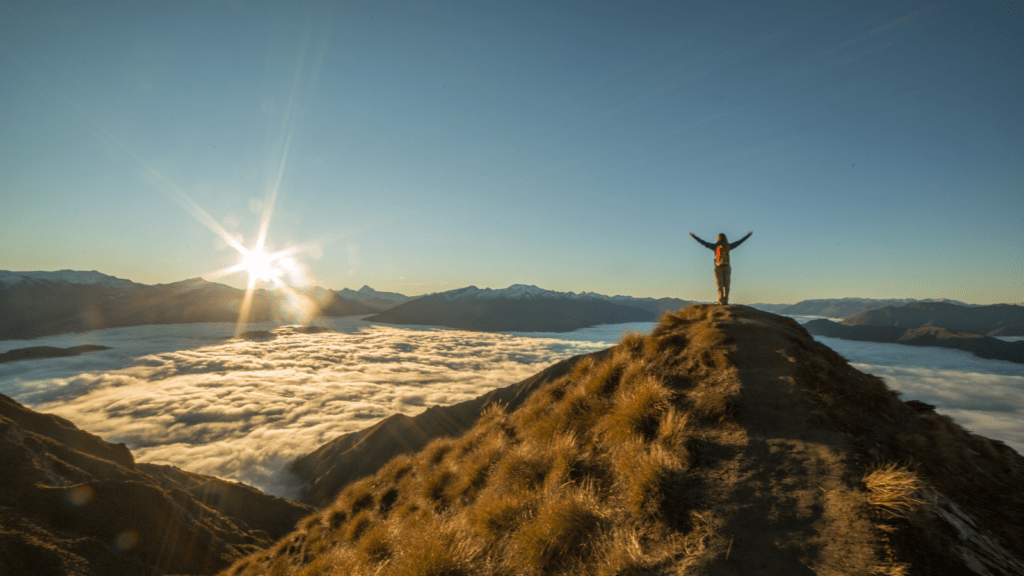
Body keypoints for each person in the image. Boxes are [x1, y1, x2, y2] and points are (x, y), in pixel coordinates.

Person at [689, 231, 752, 305]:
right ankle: (726, 300)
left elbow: (703, 243)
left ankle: (721, 300)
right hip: (727, 267)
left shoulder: (715, 246)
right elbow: (739, 242)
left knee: (720, 284)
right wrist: (747, 235)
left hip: (718, 267)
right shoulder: (728, 246)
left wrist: (694, 237)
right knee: (727, 284)